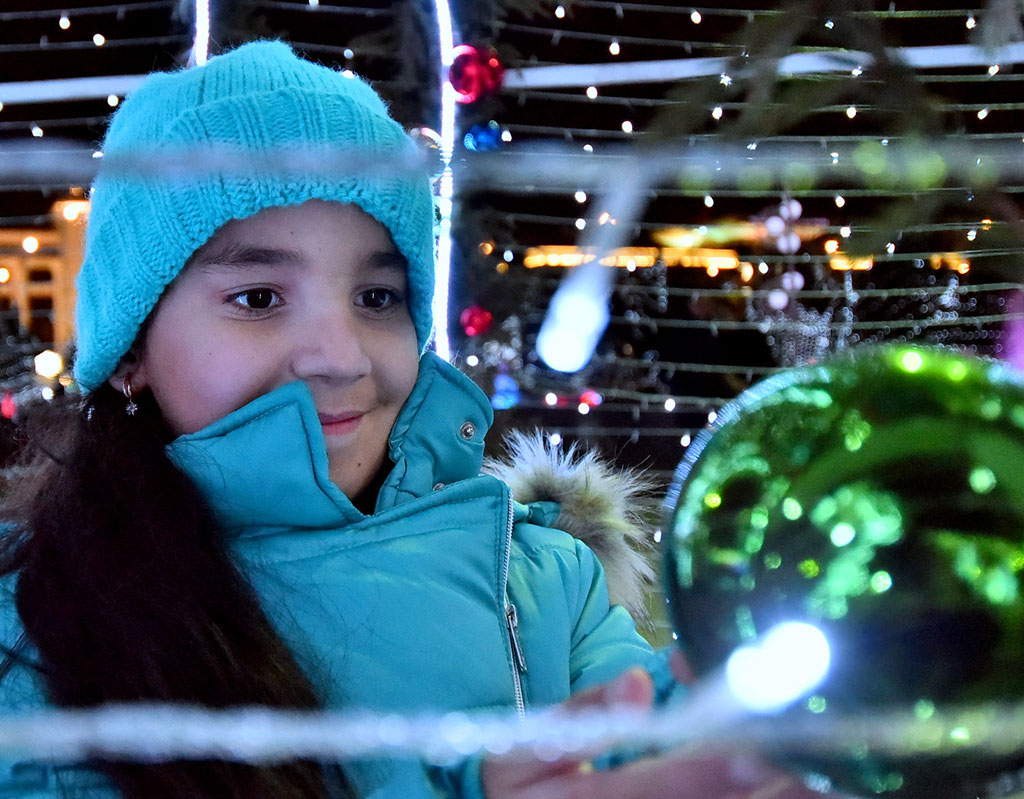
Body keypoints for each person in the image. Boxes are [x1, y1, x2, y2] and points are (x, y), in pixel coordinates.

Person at [0, 41, 831, 799]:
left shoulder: (541, 579)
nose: (342, 356)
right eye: (258, 297)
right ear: (133, 349)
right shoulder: (38, 625)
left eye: (376, 296)